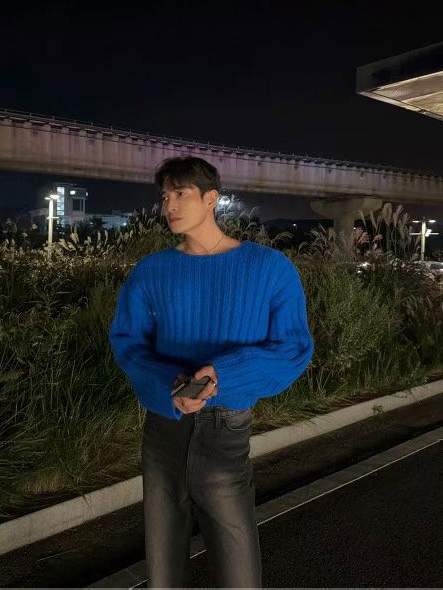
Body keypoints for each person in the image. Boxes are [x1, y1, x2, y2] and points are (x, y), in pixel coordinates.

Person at [109, 156, 314, 589]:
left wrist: (225, 375)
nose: (169, 205)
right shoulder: (151, 271)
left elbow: (294, 349)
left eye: (181, 194)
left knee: (239, 576)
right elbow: (128, 343)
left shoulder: (269, 268)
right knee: (163, 572)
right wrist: (168, 384)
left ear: (211, 199)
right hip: (164, 429)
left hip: (225, 432)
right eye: (165, 196)